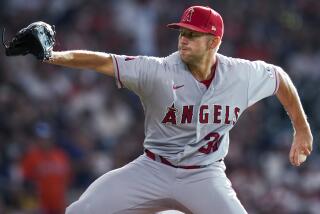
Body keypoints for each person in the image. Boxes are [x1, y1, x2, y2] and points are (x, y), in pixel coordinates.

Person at [26, 5, 313, 214]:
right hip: (153, 168)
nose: (183, 39)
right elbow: (101, 61)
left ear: (214, 42)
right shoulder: (158, 71)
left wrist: (301, 128)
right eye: (182, 32)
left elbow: (279, 79)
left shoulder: (241, 75)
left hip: (204, 174)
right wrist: (52, 56)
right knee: (81, 211)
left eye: (193, 34)